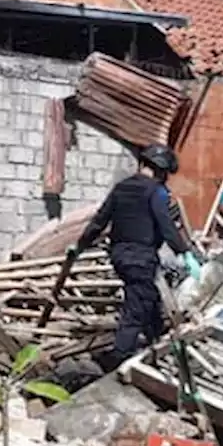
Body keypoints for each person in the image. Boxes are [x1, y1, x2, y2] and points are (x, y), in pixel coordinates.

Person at [68, 143, 202, 370]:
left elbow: (99, 221)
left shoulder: (121, 188)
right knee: (136, 307)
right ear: (161, 171)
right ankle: (118, 358)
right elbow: (166, 224)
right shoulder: (156, 192)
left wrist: (80, 246)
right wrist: (185, 252)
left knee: (149, 299)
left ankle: (157, 341)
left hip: (119, 256)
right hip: (141, 257)